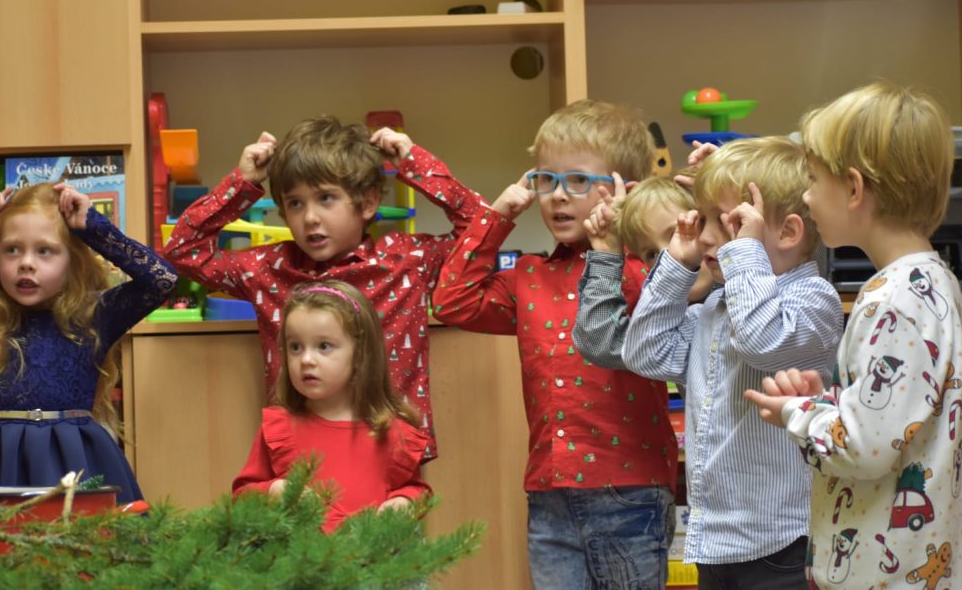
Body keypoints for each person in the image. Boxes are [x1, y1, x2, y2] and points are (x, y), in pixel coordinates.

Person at [744, 82, 962, 588]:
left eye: (813, 180)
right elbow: (901, 418)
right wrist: (830, 402)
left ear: (854, 190)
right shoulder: (935, 282)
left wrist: (797, 414)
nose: (806, 196)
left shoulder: (890, 300)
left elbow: (862, 448)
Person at [432, 100, 680, 589]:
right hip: (549, 493)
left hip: (631, 490)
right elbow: (452, 302)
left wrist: (628, 229)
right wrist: (497, 216)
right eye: (546, 179)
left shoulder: (645, 271)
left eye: (579, 180)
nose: (559, 195)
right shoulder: (529, 277)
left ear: (625, 189)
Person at [164, 117, 482, 461]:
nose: (310, 218)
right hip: (301, 457)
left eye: (326, 198)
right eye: (295, 203)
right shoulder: (268, 269)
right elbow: (182, 251)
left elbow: (483, 229)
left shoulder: (407, 261)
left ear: (368, 202)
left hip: (391, 455)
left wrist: (416, 163)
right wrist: (241, 183)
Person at [621, 135, 844, 589]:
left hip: (784, 539)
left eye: (728, 223)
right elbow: (643, 352)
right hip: (716, 541)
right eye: (703, 219)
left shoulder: (814, 299)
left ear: (787, 233)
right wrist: (676, 266)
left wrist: (743, 252)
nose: (705, 236)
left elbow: (760, 338)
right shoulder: (714, 308)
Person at [0, 183, 177, 503]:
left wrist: (93, 227)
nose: (26, 263)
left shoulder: (94, 316)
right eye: (12, 249)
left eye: (45, 250)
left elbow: (162, 280)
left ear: (72, 262)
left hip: (81, 463)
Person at [232, 280, 430, 532]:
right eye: (295, 347)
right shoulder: (278, 429)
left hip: (372, 556)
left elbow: (415, 489)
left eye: (324, 346)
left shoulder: (391, 432)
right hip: (297, 556)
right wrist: (275, 490)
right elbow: (242, 495)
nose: (306, 359)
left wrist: (404, 502)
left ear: (360, 355)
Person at [573, 174, 714, 371]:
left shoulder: (746, 291)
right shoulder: (671, 326)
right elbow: (602, 343)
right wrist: (607, 254)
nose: (667, 257)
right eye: (652, 254)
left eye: (678, 233)